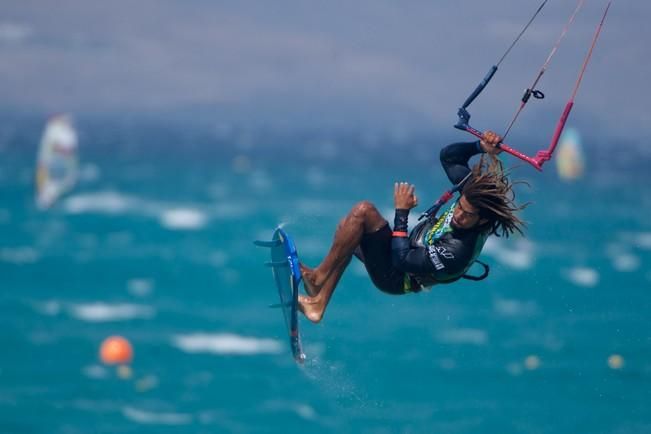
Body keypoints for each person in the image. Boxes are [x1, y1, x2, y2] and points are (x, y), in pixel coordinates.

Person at [298, 131, 528, 323]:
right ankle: (318, 303)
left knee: (363, 212)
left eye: (467, 215)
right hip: (402, 252)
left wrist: (401, 212)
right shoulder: (473, 199)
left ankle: (318, 281)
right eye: (459, 207)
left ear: (483, 221)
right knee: (348, 228)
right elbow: (449, 157)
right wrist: (480, 146)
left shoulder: (458, 251)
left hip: (398, 276)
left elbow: (403, 260)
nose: (458, 215)